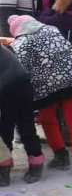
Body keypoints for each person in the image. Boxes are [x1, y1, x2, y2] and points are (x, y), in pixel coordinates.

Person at [9, 15, 72, 174]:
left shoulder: (21, 42)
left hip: (45, 87)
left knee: (47, 120)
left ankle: (61, 156)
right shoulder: (53, 30)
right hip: (70, 80)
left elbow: (22, 69)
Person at [0, 43, 43, 184]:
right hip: (23, 82)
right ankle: (36, 164)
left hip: (8, 87)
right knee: (26, 125)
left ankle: (3, 171)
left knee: (5, 129)